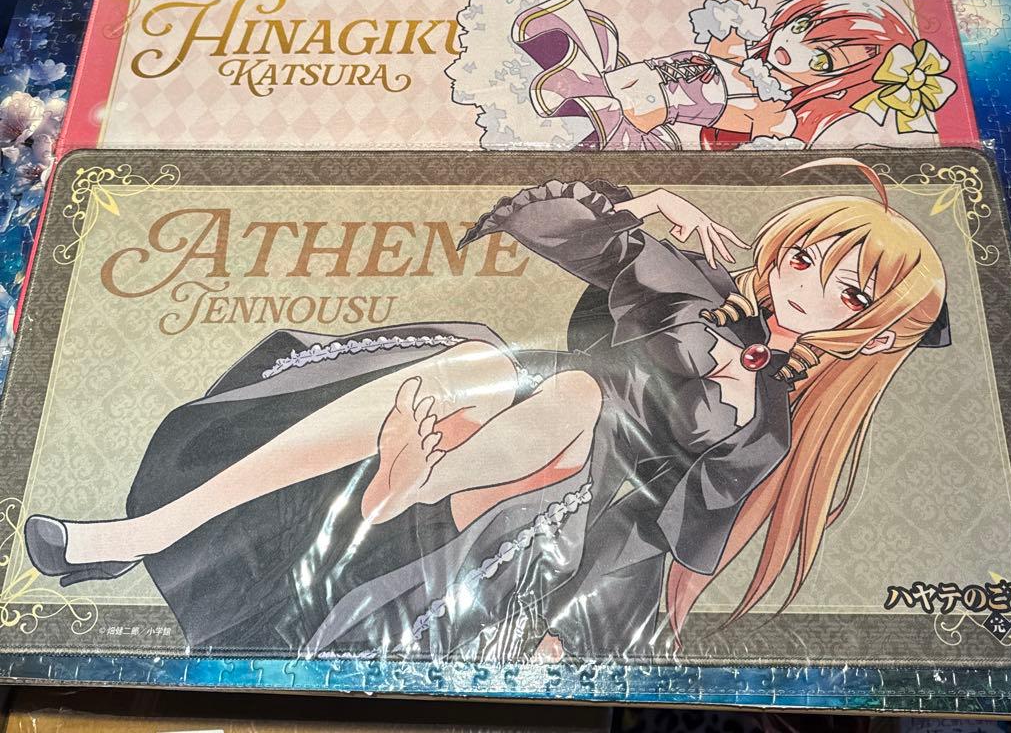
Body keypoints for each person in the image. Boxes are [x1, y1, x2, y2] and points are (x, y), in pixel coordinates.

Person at [24, 161, 947, 660]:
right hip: (529, 404)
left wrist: (584, 639)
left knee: (566, 421)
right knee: (491, 365)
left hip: (577, 505)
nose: (807, 286)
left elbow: (672, 542)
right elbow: (556, 228)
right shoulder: (688, 288)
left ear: (869, 332)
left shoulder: (768, 427)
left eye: (849, 292)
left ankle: (412, 489)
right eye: (805, 258)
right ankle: (146, 531)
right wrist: (653, 199)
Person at [505, 0, 957, 150]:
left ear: (837, 85)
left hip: (627, 115)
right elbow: (734, 22)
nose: (793, 48)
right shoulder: (743, 59)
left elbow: (735, 124)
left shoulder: (776, 112)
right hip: (608, 78)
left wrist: (666, 106)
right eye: (800, 25)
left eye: (821, 59)